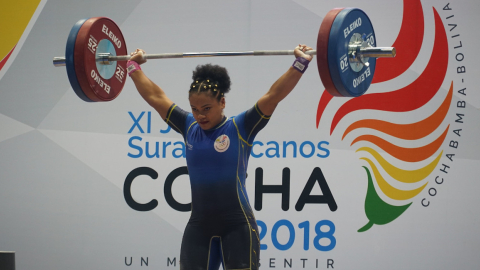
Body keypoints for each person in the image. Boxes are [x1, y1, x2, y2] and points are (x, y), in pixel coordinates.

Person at [127, 45, 313, 270]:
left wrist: (300, 63)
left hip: (238, 227)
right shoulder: (189, 126)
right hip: (199, 228)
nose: (200, 115)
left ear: (222, 103)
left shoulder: (240, 127)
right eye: (194, 109)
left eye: (206, 108)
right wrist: (132, 66)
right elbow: (155, 97)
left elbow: (274, 96)